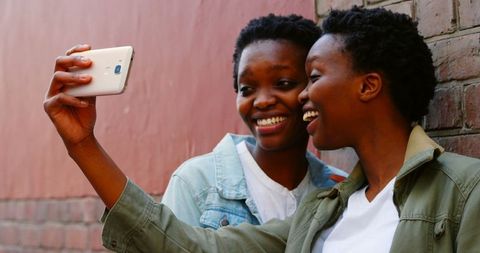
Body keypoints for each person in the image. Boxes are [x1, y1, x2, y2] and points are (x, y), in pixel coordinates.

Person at [44, 6, 480, 253]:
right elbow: (188, 247)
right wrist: (83, 145)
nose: (300, 98)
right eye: (246, 87)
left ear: (368, 86)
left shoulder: (465, 191)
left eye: (310, 79)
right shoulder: (321, 212)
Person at [160, 14, 346, 229]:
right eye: (247, 89)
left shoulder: (340, 189)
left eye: (283, 83)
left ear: (313, 86)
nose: (263, 101)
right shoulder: (196, 183)